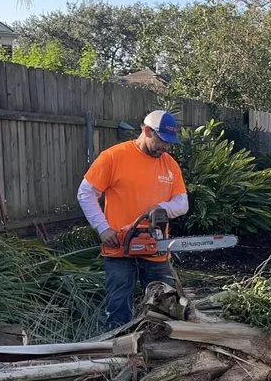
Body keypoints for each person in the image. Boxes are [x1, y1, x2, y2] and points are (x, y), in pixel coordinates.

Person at [77, 110, 189, 327]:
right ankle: (117, 342)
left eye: (169, 143)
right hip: (120, 246)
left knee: (165, 305)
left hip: (155, 248)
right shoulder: (114, 157)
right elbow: (85, 193)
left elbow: (182, 203)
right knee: (118, 307)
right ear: (147, 131)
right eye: (162, 141)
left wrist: (162, 208)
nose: (165, 147)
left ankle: (159, 342)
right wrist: (102, 228)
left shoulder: (169, 164)